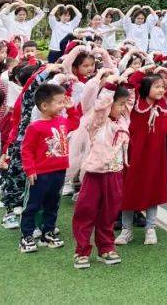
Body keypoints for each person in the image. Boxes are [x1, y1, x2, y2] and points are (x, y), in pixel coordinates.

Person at [69, 72, 130, 269]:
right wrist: (109, 88)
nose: (122, 109)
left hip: (115, 174)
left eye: (124, 105)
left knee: (109, 213)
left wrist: (127, 79)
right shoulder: (97, 122)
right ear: (109, 103)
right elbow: (101, 107)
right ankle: (82, 250)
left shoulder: (123, 122)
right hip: (95, 174)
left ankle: (106, 248)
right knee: (85, 212)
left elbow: (131, 100)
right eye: (119, 105)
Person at [117, 66, 167, 245]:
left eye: (162, 86)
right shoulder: (136, 102)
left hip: (156, 155)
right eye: (156, 86)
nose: (161, 90)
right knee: (129, 189)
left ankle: (150, 228)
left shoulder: (164, 103)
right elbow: (132, 84)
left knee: (153, 189)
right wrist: (145, 69)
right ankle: (126, 229)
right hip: (135, 153)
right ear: (146, 88)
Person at [19, 82, 69, 253]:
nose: (63, 105)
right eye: (60, 102)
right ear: (44, 106)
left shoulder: (63, 121)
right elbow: (26, 150)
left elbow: (76, 123)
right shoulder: (35, 126)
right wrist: (30, 170)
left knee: (52, 204)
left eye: (64, 101)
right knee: (33, 205)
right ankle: (26, 236)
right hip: (40, 174)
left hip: (59, 171)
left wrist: (73, 107)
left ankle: (47, 232)